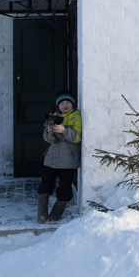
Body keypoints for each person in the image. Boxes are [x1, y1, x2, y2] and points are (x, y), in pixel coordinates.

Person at [37, 90, 82, 223]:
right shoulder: (54, 117)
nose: (65, 105)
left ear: (72, 104)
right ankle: (41, 213)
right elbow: (46, 139)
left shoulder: (76, 117)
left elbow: (77, 137)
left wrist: (64, 131)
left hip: (68, 159)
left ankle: (57, 212)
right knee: (45, 184)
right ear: (58, 106)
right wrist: (48, 131)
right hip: (51, 158)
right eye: (62, 103)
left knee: (64, 187)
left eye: (68, 102)